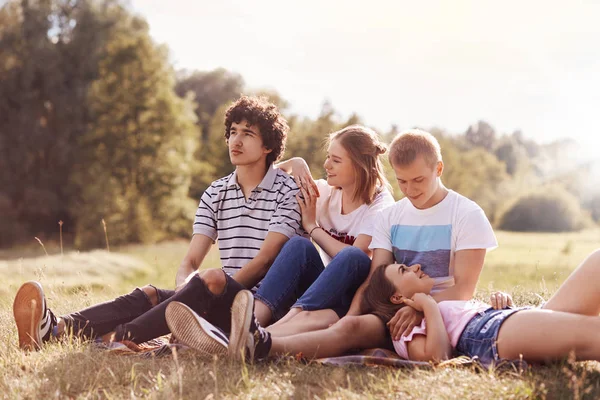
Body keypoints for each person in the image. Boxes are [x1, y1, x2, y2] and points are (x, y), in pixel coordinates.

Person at [162, 128, 499, 361]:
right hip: (389, 308)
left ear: (439, 169)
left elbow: (463, 289)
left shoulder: (465, 214)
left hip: (433, 312)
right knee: (331, 294)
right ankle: (251, 336)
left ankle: (257, 343)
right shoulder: (393, 215)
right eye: (403, 182)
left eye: (419, 181)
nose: (410, 190)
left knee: (350, 317)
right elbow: (376, 276)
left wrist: (420, 305)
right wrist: (355, 310)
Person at [13, 95, 308, 351]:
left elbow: (266, 259)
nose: (236, 140)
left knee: (214, 278)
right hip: (214, 295)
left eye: (248, 133)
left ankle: (123, 337)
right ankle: (57, 329)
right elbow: (190, 260)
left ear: (268, 145)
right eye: (232, 132)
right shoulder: (216, 192)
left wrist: (203, 292)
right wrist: (188, 293)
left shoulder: (287, 190)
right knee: (150, 294)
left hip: (256, 306)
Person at [255, 125, 395, 335]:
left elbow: (355, 255)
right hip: (321, 291)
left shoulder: (381, 205)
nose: (326, 164)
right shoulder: (325, 192)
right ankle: (252, 319)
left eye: (336, 160)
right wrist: (296, 163)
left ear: (359, 166)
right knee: (298, 246)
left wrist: (312, 227)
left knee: (352, 256)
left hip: (355, 297)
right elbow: (267, 179)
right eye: (328, 157)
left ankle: (279, 327)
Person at [356, 249, 600, 365]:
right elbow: (438, 357)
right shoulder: (404, 328)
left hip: (504, 321)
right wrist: (428, 306)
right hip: (490, 335)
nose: (416, 267)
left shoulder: (434, 304)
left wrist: (504, 306)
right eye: (404, 270)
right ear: (397, 298)